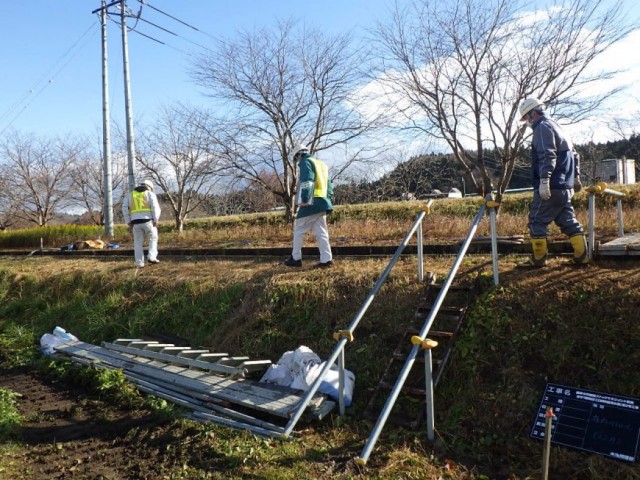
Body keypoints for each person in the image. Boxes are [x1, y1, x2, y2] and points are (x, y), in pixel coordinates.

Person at [518, 97, 588, 267]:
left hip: (551, 185)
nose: (527, 122)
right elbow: (574, 154)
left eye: (527, 117)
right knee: (567, 219)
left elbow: (547, 155)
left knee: (536, 220)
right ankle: (582, 256)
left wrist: (544, 180)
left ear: (533, 113)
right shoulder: (557, 126)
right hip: (565, 185)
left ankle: (539, 259)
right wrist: (576, 177)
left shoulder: (542, 127)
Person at [283, 144, 334, 268]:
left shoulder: (306, 162)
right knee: (321, 232)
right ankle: (326, 260)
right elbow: (329, 184)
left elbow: (308, 180)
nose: (298, 160)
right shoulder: (320, 164)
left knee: (299, 229)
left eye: (297, 158)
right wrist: (329, 197)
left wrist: (305, 199)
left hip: (311, 202)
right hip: (323, 201)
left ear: (299, 154)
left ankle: (296, 259)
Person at [122, 179, 161, 268]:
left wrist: (128, 221)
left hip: (135, 223)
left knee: (138, 243)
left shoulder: (130, 195)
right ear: (149, 187)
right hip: (148, 221)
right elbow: (155, 207)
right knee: (153, 239)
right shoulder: (150, 194)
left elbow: (124, 208)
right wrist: (156, 219)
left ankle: (139, 263)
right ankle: (152, 257)